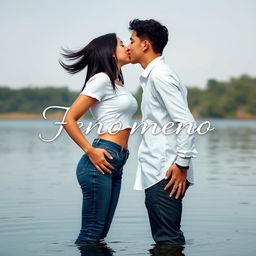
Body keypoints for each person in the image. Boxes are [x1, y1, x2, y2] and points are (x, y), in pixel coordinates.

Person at [60, 33, 138, 245]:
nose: (128, 47)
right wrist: (90, 150)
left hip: (116, 160)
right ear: (111, 53)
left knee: (100, 235)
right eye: (123, 44)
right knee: (91, 234)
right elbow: (69, 119)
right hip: (100, 159)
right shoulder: (101, 79)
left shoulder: (117, 82)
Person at [127, 19, 198, 245]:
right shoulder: (156, 75)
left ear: (145, 44)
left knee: (168, 240)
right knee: (166, 239)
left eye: (132, 40)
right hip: (161, 169)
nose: (128, 46)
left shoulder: (160, 76)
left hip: (166, 172)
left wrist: (182, 165)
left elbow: (186, 122)